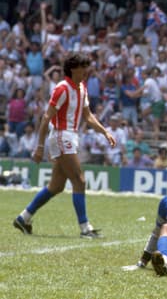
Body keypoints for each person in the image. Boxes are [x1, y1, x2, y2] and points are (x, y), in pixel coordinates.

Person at [13, 53, 116, 238]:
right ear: (73, 69)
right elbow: (46, 118)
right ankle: (85, 229)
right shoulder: (62, 89)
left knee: (56, 186)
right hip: (61, 136)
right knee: (79, 180)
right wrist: (39, 147)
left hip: (70, 136)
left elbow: (88, 116)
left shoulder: (82, 88)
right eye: (83, 67)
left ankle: (24, 217)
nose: (87, 70)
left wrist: (105, 131)